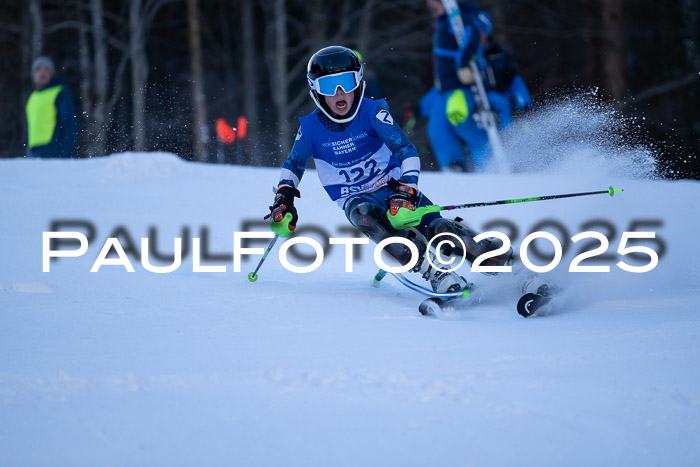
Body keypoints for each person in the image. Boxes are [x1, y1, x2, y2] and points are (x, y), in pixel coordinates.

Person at [265, 46, 512, 293]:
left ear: (359, 81)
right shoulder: (310, 128)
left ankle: (498, 259)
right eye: (329, 86)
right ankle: (435, 272)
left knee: (442, 232)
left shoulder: (373, 112)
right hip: (355, 197)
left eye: (346, 82)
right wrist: (283, 198)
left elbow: (406, 150)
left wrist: (406, 189)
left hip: (394, 189)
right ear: (316, 91)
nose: (340, 93)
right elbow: (293, 165)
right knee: (367, 215)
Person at [25, 56, 79, 158]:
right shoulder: (33, 97)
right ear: (33, 75)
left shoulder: (60, 93)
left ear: (51, 74)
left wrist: (66, 153)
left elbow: (69, 124)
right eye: (38, 69)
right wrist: (26, 148)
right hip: (34, 152)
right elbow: (30, 127)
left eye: (46, 69)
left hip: (53, 151)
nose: (42, 72)